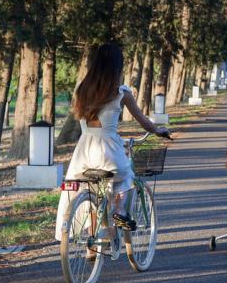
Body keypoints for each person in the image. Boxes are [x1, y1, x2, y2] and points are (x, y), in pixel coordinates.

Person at [55, 43, 170, 243]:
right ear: (117, 67)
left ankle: (93, 245)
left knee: (89, 191)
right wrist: (158, 130)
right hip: (108, 152)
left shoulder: (82, 90)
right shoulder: (121, 93)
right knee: (127, 178)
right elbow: (144, 122)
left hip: (83, 153)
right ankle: (118, 211)